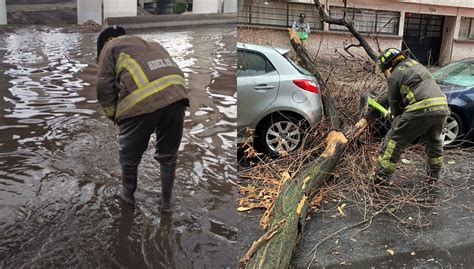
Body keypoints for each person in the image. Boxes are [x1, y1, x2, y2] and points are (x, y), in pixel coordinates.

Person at [96, 25, 189, 212]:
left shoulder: (110, 47)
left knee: (129, 155)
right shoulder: (151, 44)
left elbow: (104, 88)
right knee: (169, 154)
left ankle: (127, 197)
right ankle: (166, 204)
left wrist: (114, 116)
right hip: (177, 95)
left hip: (143, 99)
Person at [373, 48, 449, 184]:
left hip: (421, 109)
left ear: (389, 65)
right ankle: (434, 175)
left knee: (394, 140)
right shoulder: (416, 65)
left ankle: (381, 176)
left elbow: (394, 103)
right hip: (442, 107)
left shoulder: (395, 75)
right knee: (434, 141)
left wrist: (395, 115)